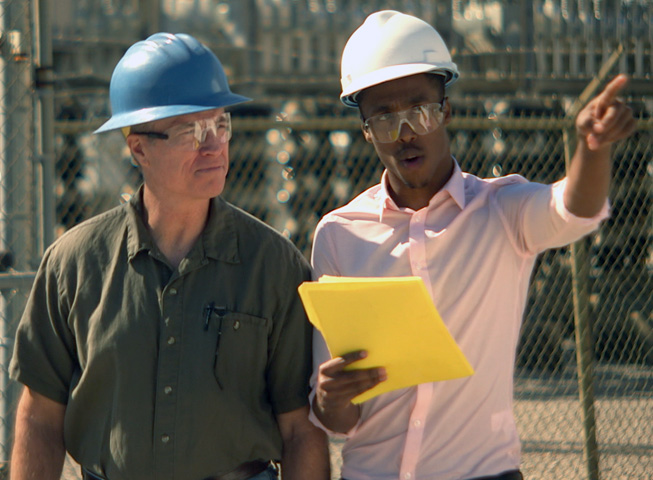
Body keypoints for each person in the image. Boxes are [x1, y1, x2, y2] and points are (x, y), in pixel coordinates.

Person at [309, 10, 636, 480]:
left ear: (446, 110)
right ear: (364, 130)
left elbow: (575, 209)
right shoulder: (339, 234)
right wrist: (327, 400)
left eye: (420, 110)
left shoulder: (502, 212)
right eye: (384, 120)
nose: (405, 134)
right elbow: (338, 419)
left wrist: (593, 146)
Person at [9, 33, 329, 480]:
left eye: (221, 125)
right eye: (191, 131)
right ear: (138, 146)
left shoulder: (275, 266)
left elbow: (300, 429)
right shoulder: (74, 265)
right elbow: (40, 415)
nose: (214, 144)